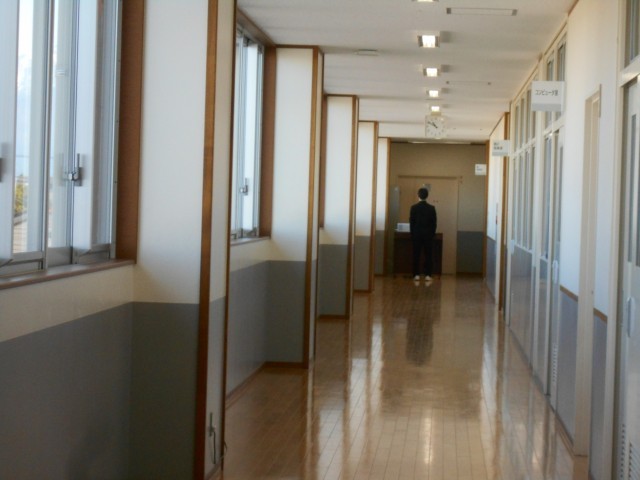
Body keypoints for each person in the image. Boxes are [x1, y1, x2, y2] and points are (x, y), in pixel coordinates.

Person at [409, 187, 437, 282]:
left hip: (417, 235)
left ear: (418, 195)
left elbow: (411, 223)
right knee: (428, 255)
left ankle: (416, 275)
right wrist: (432, 234)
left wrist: (412, 235)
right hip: (428, 236)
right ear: (427, 196)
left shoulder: (413, 208)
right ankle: (428, 275)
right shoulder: (431, 208)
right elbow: (434, 224)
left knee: (416, 255)